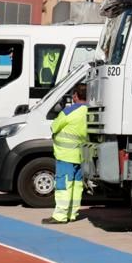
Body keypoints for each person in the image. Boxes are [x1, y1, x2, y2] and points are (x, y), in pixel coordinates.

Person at [44, 83, 90, 225]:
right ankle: (72, 213)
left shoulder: (69, 111)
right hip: (81, 155)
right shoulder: (91, 111)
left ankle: (60, 216)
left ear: (75, 96)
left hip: (65, 155)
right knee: (77, 186)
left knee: (63, 185)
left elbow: (54, 126)